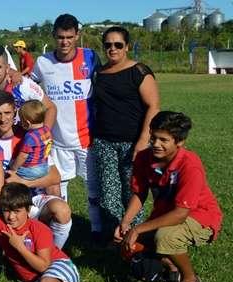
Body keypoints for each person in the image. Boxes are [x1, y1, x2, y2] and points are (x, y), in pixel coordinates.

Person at [115, 111, 222, 282]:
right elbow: (139, 193)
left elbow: (181, 214)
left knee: (165, 237)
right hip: (165, 215)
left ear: (179, 141)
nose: (156, 144)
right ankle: (170, 265)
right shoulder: (144, 158)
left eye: (164, 140)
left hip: (199, 216)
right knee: (127, 245)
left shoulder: (190, 165)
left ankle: (190, 279)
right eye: (153, 137)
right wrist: (126, 223)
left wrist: (138, 229)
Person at [0, 183, 130, 282]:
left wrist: (20, 247)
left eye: (17, 211)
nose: (11, 217)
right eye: (6, 210)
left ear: (28, 210)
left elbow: (43, 266)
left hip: (58, 265)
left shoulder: (39, 229)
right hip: (32, 281)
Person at [0, 91, 73, 249]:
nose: (3, 119)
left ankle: (52, 253)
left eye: (7, 113)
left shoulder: (30, 137)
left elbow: (54, 176)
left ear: (15, 112)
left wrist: (23, 182)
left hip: (31, 200)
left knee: (62, 210)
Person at [91, 26, 160, 241]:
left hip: (133, 142)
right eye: (108, 45)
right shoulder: (99, 73)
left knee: (133, 191)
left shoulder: (138, 71)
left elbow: (153, 106)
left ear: (127, 47)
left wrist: (143, 140)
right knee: (108, 194)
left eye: (118, 45)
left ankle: (134, 237)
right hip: (104, 142)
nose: (113, 49)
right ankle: (116, 235)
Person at [31, 14, 100, 225]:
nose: (65, 42)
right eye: (60, 37)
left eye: (70, 37)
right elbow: (29, 87)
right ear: (54, 36)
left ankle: (96, 230)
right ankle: (63, 229)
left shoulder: (90, 57)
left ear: (77, 35)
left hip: (86, 139)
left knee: (93, 188)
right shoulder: (43, 62)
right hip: (57, 141)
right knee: (58, 190)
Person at [9, 100, 53, 181]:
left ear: (27, 123)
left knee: (8, 168)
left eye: (21, 121)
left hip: (31, 169)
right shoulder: (47, 130)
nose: (20, 123)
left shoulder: (30, 136)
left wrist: (13, 169)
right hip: (44, 166)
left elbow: (23, 156)